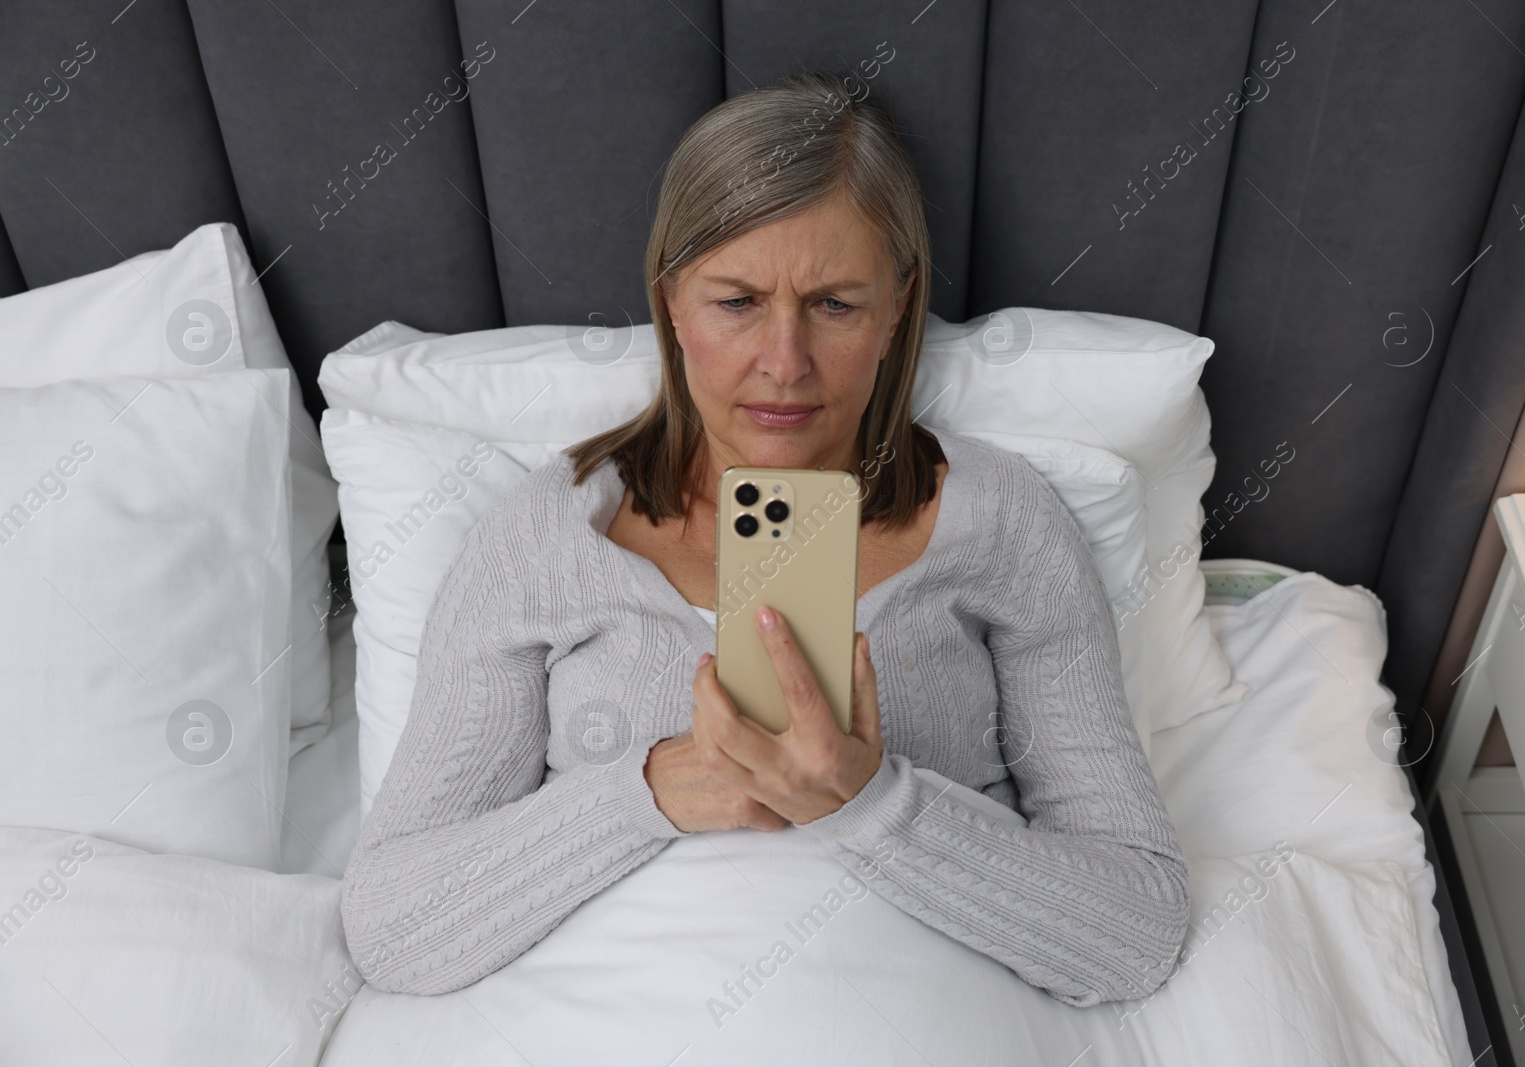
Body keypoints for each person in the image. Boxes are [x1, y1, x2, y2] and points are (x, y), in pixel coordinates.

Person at [341, 68, 1189, 1006]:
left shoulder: (1002, 523)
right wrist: (658, 788)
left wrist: (874, 805)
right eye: (736, 301)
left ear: (898, 306)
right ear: (669, 299)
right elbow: (395, 927)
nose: (784, 365)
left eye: (835, 304)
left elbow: (1138, 931)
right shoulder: (550, 534)